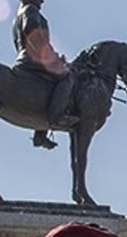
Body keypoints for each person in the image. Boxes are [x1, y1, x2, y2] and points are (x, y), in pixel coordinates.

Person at [13, 0, 78, 149]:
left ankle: (40, 135)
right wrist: (52, 58)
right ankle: (56, 117)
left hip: (26, 56)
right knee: (66, 77)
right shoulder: (30, 10)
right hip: (33, 58)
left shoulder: (22, 12)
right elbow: (34, 36)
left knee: (48, 87)